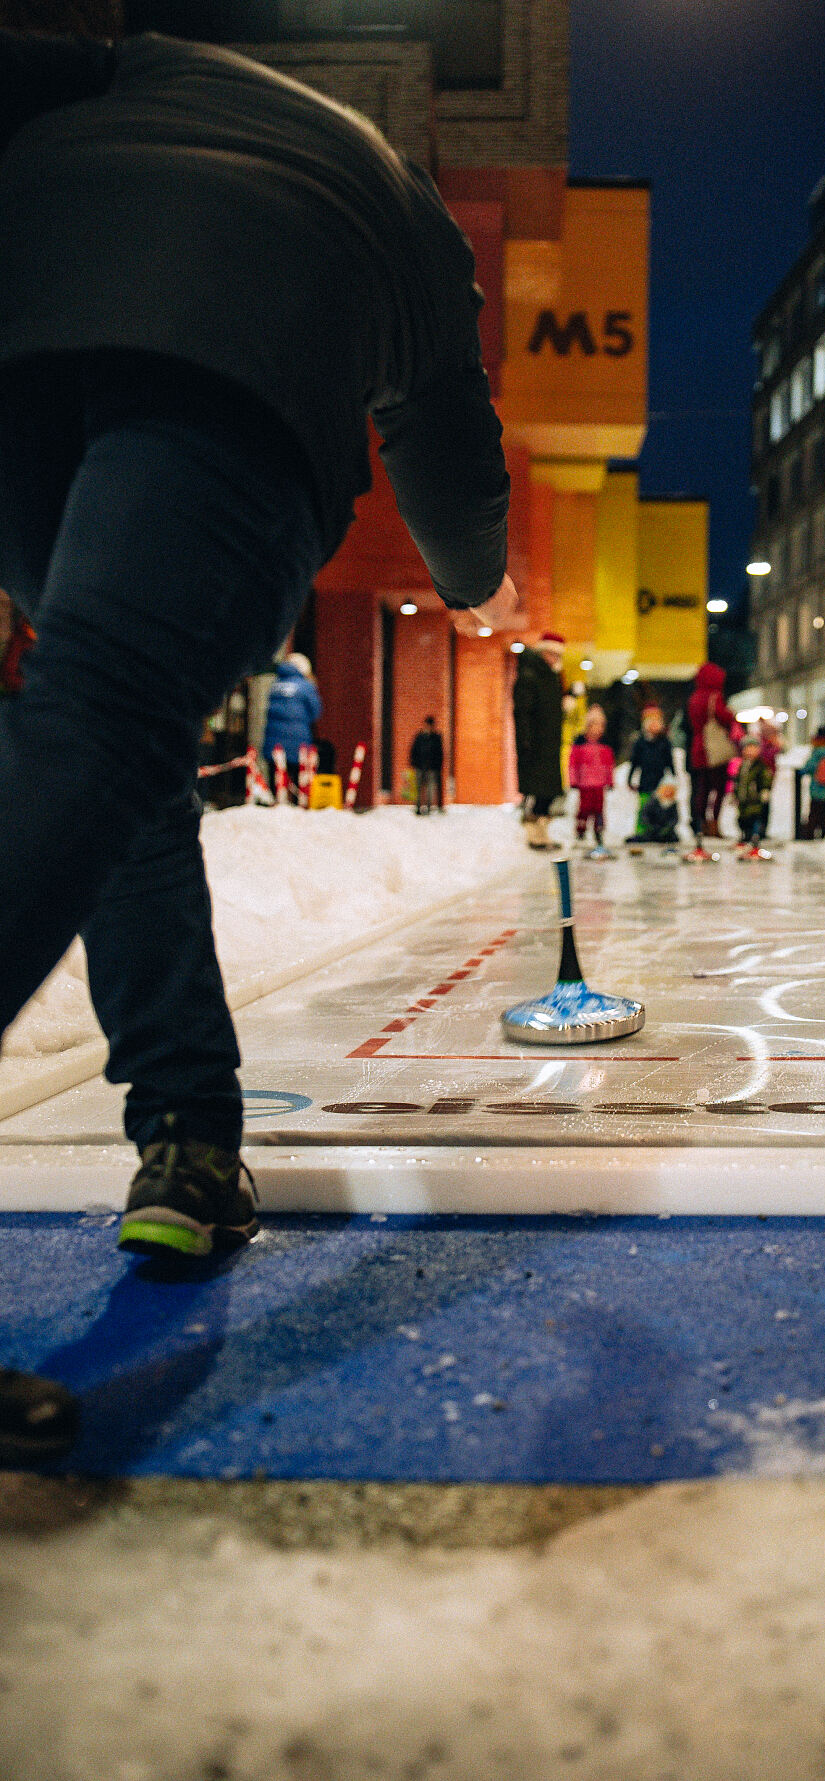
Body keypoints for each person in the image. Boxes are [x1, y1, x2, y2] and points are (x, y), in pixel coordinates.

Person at [0, 12, 522, 1308]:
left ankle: (188, 1139)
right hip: (227, 380)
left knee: (109, 747)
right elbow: (449, 463)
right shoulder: (406, 219)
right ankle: (184, 1143)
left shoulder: (144, 67)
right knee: (106, 721)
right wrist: (478, 587)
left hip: (20, 349)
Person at [513, 632, 565, 849]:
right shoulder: (530, 675)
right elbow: (523, 711)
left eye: (556, 655)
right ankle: (533, 834)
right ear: (543, 651)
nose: (553, 658)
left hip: (549, 743)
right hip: (535, 744)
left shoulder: (550, 677)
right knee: (539, 791)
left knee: (549, 792)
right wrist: (525, 740)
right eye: (550, 653)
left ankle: (541, 833)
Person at [686, 661, 736, 842]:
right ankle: (714, 824)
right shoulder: (714, 696)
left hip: (699, 748)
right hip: (715, 749)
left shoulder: (694, 698)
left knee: (703, 789)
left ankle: (701, 824)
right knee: (719, 789)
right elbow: (724, 717)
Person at [263, 651, 322, 793]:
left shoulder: (275, 685)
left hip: (273, 740)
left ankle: (276, 801)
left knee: (276, 774)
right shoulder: (307, 686)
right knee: (297, 775)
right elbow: (316, 711)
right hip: (298, 738)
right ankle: (297, 801)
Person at [568, 704, 615, 851]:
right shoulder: (579, 744)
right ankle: (581, 832)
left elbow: (609, 765)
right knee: (584, 808)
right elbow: (573, 764)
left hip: (599, 783)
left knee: (599, 809)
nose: (598, 729)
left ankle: (598, 832)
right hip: (585, 783)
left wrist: (610, 780)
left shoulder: (605, 746)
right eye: (595, 725)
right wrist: (574, 780)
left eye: (601, 725)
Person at [628, 704, 675, 837]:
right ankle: (641, 830)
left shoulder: (664, 743)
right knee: (643, 806)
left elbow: (669, 761)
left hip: (660, 781)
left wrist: (673, 775)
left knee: (661, 807)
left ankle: (659, 830)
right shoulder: (640, 743)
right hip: (645, 781)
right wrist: (630, 778)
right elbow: (634, 762)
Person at [733, 735, 773, 852]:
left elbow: (765, 779)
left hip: (755, 799)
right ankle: (745, 835)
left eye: (753, 748)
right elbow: (738, 781)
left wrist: (765, 790)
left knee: (755, 817)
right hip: (743, 798)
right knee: (742, 819)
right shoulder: (742, 766)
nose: (750, 751)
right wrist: (735, 794)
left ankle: (756, 836)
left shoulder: (761, 766)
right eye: (747, 748)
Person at [802, 727, 825, 839]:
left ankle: (809, 836)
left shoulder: (817, 753)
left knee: (813, 816)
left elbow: (809, 767)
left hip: (816, 791)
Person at [409, 713, 444, 814]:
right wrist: (413, 763)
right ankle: (418, 807)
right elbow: (414, 750)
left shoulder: (436, 737)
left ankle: (428, 808)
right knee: (419, 788)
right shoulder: (420, 737)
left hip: (432, 768)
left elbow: (440, 753)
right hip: (420, 766)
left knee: (430, 789)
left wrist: (438, 767)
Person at [635, 774, 680, 847]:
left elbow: (675, 818)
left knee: (673, 838)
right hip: (653, 829)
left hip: (666, 831)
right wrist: (651, 826)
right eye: (666, 790)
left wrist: (667, 828)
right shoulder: (653, 801)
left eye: (670, 790)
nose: (668, 792)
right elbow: (644, 815)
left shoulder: (673, 804)